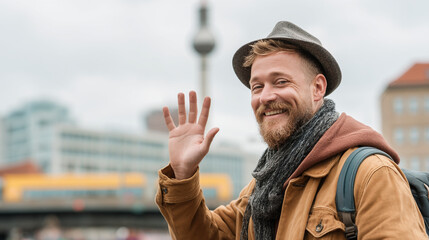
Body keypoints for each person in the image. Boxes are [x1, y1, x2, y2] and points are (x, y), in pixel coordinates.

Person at [155, 21, 427, 239]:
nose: (265, 97)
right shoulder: (263, 185)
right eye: (257, 87)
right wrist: (182, 174)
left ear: (317, 88)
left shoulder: (371, 174)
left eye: (281, 81)